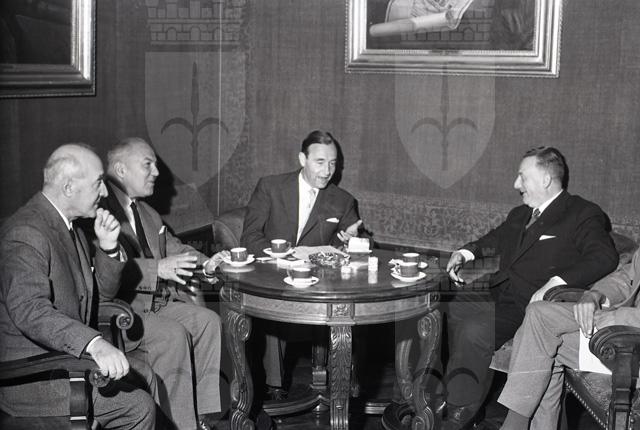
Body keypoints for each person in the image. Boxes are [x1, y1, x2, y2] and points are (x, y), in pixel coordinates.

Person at [442, 146, 618, 429]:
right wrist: (465, 253)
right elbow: (495, 239)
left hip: (531, 306)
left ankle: (459, 411)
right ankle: (467, 391)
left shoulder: (582, 213)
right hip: (500, 290)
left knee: (475, 331)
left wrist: (556, 281)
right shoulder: (520, 214)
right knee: (450, 305)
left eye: (522, 177)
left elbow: (604, 257)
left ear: (546, 179)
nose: (516, 184)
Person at [0, 143, 156, 429]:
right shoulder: (25, 233)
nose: (106, 192)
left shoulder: (70, 226)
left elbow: (99, 296)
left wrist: (108, 248)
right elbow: (30, 311)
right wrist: (94, 344)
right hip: (34, 377)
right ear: (69, 187)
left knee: (145, 374)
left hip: (63, 358)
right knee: (139, 406)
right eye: (98, 183)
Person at [102, 137, 225, 430]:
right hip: (122, 312)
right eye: (148, 164)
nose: (156, 172)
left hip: (158, 304)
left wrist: (206, 265)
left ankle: (204, 417)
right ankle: (180, 425)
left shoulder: (147, 212)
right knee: (172, 335)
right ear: (121, 169)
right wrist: (157, 269)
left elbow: (175, 248)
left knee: (208, 321)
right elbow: (105, 270)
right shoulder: (99, 211)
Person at [241, 130, 363, 396]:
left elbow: (358, 246)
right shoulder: (270, 187)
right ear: (302, 159)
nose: (327, 171)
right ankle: (274, 386)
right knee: (272, 303)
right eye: (320, 162)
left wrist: (353, 243)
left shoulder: (343, 200)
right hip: (273, 273)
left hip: (318, 284)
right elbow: (250, 237)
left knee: (349, 309)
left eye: (333, 163)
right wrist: (285, 257)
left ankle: (342, 383)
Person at [497, 247, 640, 430]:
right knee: (538, 316)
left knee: (544, 335)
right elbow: (627, 277)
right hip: (623, 329)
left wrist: (615, 317)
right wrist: (595, 295)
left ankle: (513, 426)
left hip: (631, 341)